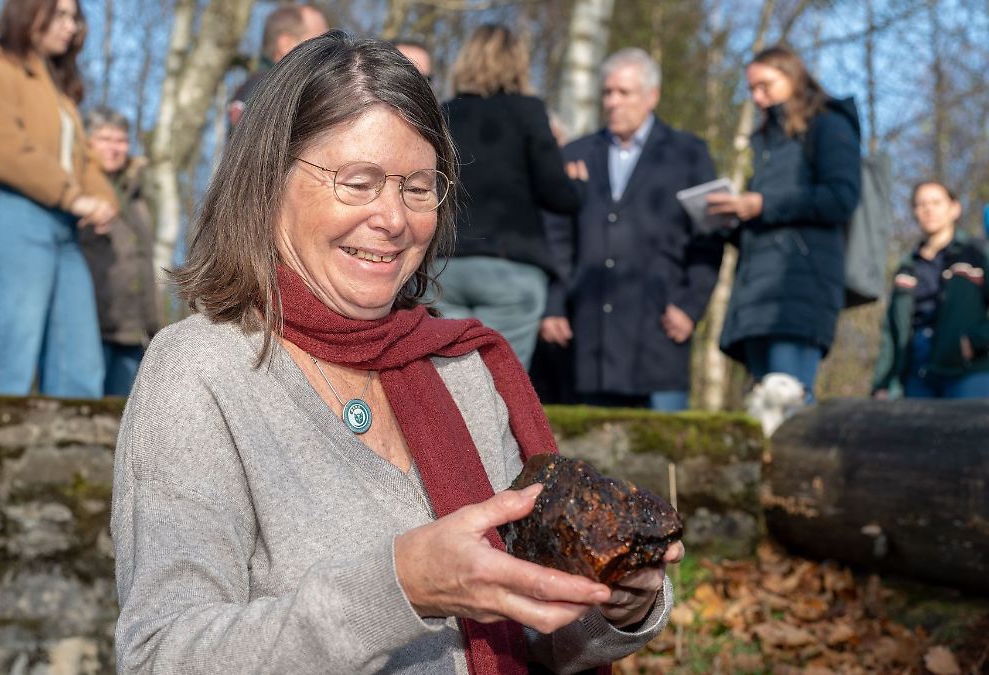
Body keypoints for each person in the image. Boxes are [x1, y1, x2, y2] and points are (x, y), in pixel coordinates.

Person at [112, 32, 680, 674]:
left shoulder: (462, 368)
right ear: (270, 182)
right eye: (358, 182)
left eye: (417, 186)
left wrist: (615, 604)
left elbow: (533, 634)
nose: (394, 218)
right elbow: (162, 658)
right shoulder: (199, 371)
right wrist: (399, 588)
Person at [0, 0, 117, 397]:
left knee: (79, 368)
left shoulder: (60, 92)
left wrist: (104, 200)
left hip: (62, 227)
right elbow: (0, 149)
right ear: (27, 12)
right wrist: (72, 197)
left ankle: (71, 459)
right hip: (5, 212)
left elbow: (85, 160)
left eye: (74, 17)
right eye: (58, 14)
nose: (70, 25)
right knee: (9, 363)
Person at [540, 48, 722, 411]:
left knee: (659, 455)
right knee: (592, 459)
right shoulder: (576, 154)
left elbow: (710, 236)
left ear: (652, 96)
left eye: (624, 93)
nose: (612, 102)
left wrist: (690, 305)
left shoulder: (688, 154)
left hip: (659, 330)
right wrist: (554, 305)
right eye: (607, 93)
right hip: (589, 333)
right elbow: (557, 237)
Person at [709, 45, 862, 403]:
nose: (757, 97)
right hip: (758, 291)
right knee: (762, 406)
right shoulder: (767, 141)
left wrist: (763, 204)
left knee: (788, 402)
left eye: (765, 85)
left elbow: (841, 197)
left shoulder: (829, 124)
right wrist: (730, 219)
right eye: (751, 89)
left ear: (792, 76)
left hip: (800, 287)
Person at [435, 25, 586, 369]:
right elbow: (558, 197)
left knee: (446, 387)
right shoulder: (528, 111)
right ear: (518, 63)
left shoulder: (443, 113)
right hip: (511, 268)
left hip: (446, 266)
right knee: (502, 386)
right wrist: (579, 186)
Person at [871, 181, 989, 399]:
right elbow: (891, 330)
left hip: (967, 369)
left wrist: (976, 340)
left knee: (971, 431)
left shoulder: (977, 254)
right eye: (921, 204)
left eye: (936, 202)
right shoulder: (906, 267)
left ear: (954, 208)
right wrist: (883, 382)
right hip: (914, 372)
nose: (929, 209)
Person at [78, 108, 161, 397]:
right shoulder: (75, 190)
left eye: (121, 141)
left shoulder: (138, 198)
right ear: (86, 142)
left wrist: (155, 328)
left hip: (131, 332)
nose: (114, 148)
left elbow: (145, 265)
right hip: (88, 327)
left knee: (121, 422)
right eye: (105, 139)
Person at [227, 3, 328, 128]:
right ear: (286, 44)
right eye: (321, 42)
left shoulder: (261, 88)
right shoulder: (269, 91)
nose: (329, 52)